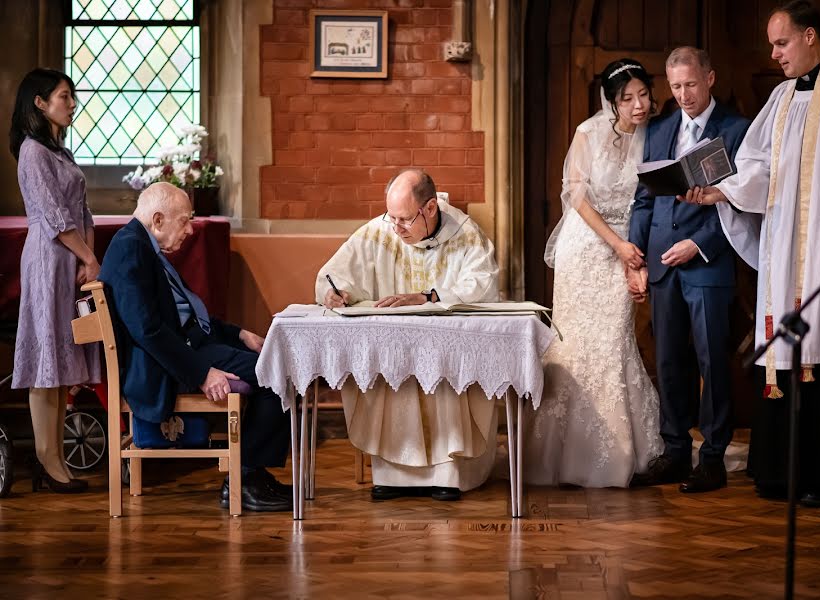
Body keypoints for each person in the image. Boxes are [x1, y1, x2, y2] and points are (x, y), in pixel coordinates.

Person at [685, 1, 820, 507]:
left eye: (781, 43)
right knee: (787, 349)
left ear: (810, 36)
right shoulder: (780, 98)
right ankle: (783, 472)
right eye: (772, 44)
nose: (774, 54)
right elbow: (757, 166)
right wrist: (724, 192)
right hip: (786, 250)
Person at [99, 182, 292, 511]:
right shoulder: (131, 249)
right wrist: (202, 374)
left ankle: (252, 474)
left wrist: (240, 333)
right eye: (185, 221)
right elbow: (147, 330)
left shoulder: (143, 245)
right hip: (169, 365)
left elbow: (184, 314)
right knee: (278, 375)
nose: (190, 230)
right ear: (158, 220)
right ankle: (244, 480)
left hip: (190, 348)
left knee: (278, 366)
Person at [316, 168, 500, 501]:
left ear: (430, 208)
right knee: (392, 373)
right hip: (394, 352)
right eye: (392, 218)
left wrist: (429, 296)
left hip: (446, 351)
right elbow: (335, 274)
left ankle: (448, 474)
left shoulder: (465, 234)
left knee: (442, 375)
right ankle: (392, 476)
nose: (397, 229)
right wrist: (337, 292)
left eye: (404, 219)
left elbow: (483, 285)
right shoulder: (379, 231)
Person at [523, 59, 663, 487]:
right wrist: (616, 246)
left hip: (629, 243)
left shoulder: (658, 134)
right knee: (576, 345)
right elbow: (577, 197)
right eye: (627, 98)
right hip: (586, 248)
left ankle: (623, 451)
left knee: (614, 341)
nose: (638, 105)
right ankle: (561, 453)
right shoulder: (588, 133)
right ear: (611, 101)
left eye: (643, 94)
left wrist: (631, 252)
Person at [627, 47, 751, 493]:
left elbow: (745, 206)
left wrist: (697, 245)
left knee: (712, 362)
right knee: (669, 361)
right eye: (676, 86)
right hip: (661, 262)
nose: (683, 95)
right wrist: (635, 256)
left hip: (707, 263)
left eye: (691, 85)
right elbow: (645, 200)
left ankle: (713, 457)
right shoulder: (659, 129)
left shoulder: (736, 131)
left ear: (711, 78)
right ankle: (675, 451)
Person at [9, 68, 101, 494]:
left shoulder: (60, 152)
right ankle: (48, 462)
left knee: (63, 363)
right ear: (39, 102)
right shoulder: (33, 152)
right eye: (65, 96)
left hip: (71, 260)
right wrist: (87, 255)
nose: (72, 103)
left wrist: (87, 259)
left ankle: (59, 458)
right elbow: (53, 217)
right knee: (47, 361)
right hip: (49, 260)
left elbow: (81, 211)